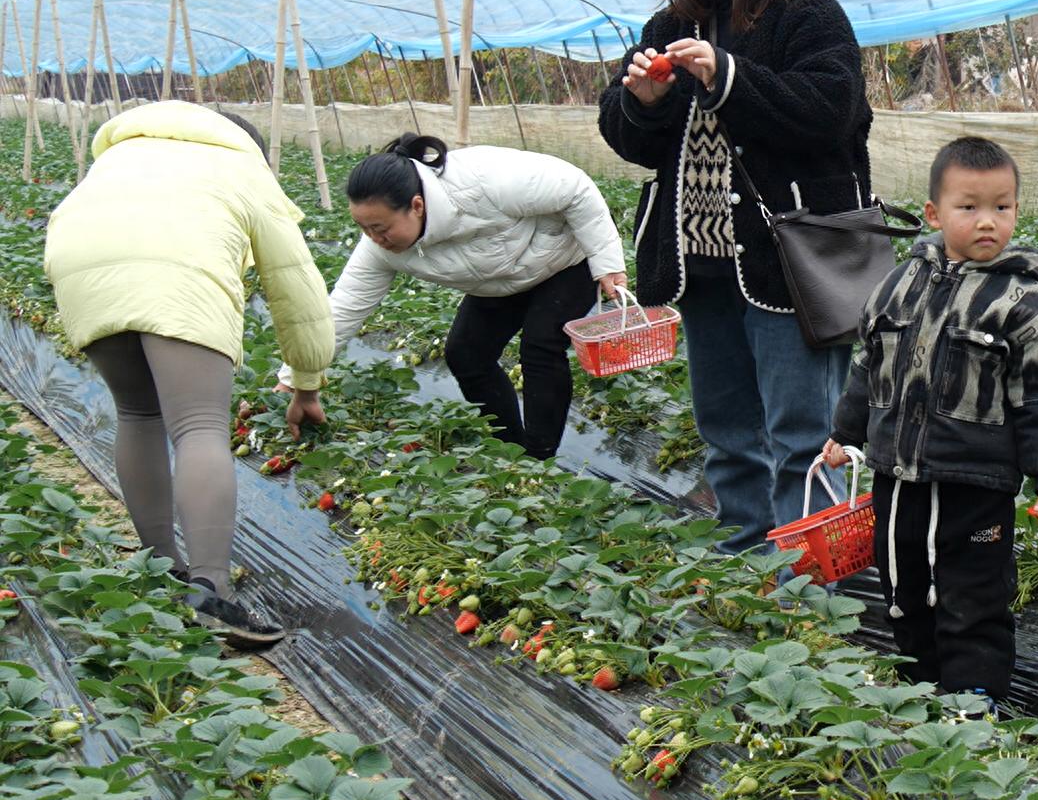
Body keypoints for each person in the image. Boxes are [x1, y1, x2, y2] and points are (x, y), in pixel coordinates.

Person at [598, 0, 874, 554]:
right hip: (702, 264)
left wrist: (728, 77)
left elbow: (829, 112)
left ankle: (808, 579)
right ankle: (748, 555)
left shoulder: (807, 16)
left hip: (789, 265)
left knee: (801, 432)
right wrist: (642, 101)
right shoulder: (671, 22)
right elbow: (627, 138)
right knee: (725, 427)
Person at [44, 102, 333, 647]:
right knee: (199, 425)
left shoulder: (124, 153)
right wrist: (306, 382)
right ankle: (210, 591)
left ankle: (162, 573)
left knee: (137, 412)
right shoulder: (242, 166)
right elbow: (298, 291)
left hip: (79, 265)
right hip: (178, 271)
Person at [821, 137, 1038, 708]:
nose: (988, 221)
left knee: (972, 595)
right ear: (934, 215)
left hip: (973, 486)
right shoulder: (899, 286)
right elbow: (869, 365)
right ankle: (919, 693)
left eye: (1002, 207)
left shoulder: (1025, 305)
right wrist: (845, 433)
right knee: (902, 589)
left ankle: (973, 705)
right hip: (896, 479)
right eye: (969, 207)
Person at [284, 134, 627, 460]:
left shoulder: (484, 180)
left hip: (567, 257)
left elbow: (577, 190)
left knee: (540, 343)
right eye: (364, 228)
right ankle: (511, 450)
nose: (374, 238)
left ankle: (538, 458)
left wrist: (607, 265)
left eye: (380, 228)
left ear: (416, 206)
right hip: (500, 276)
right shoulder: (380, 248)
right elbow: (342, 312)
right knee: (465, 353)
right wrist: (293, 380)